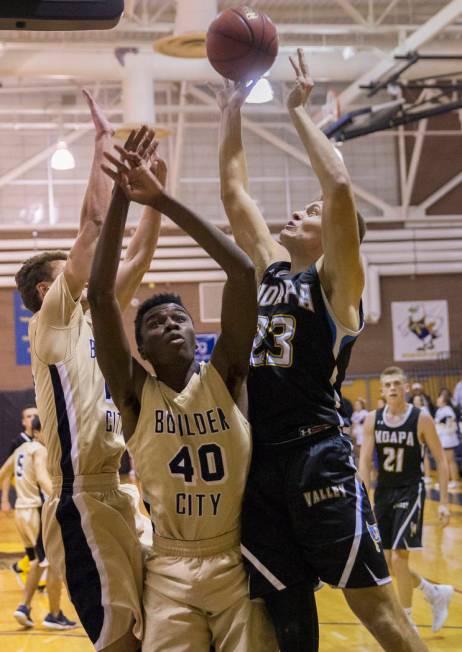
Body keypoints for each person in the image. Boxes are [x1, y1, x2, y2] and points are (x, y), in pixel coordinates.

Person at [217, 48, 426, 652]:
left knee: (377, 610)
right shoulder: (273, 271)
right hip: (262, 463)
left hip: (317, 454)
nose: (300, 212)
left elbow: (336, 184)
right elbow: (235, 195)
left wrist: (297, 112)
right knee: (286, 614)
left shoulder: (337, 287)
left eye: (311, 214)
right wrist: (230, 108)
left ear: (337, 238)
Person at [88, 144, 278, 652]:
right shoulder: (134, 395)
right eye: (154, 323)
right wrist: (125, 200)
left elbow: (242, 273)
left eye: (179, 318)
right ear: (142, 350)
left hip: (235, 557)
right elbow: (101, 295)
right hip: (169, 564)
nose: (169, 324)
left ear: (199, 337)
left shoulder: (227, 377)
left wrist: (163, 200)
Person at [15, 93, 163, 652]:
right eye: (71, 270)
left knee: (152, 626)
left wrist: (155, 197)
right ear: (46, 290)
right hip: (80, 498)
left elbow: (140, 257)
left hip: (120, 492)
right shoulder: (51, 323)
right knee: (118, 639)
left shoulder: (92, 314)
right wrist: (104, 144)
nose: (87, 270)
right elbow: (96, 223)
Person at [359, 366, 453, 633]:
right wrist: (365, 499)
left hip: (411, 490)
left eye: (396, 384)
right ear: (381, 390)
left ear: (406, 387)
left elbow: (442, 462)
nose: (392, 388)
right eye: (387, 384)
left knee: (400, 558)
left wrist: (444, 502)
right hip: (385, 492)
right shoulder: (372, 419)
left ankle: (406, 622)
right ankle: (433, 592)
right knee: (388, 561)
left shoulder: (421, 418)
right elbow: (364, 462)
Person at [0, 415, 77, 630]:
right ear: (40, 431)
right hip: (35, 510)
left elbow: (2, 474)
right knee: (52, 562)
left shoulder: (20, 450)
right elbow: (43, 478)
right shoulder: (40, 450)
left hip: (20, 512)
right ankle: (54, 615)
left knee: (36, 560)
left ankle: (24, 607)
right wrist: (65, 501)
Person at [1, 404, 39, 512]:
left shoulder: (46, 439)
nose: (32, 418)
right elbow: (7, 472)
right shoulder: (18, 442)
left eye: (35, 415)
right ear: (23, 422)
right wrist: (4, 500)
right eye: (29, 416)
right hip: (26, 499)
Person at [434, 392, 460, 489]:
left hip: (447, 438)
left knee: (450, 460)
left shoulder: (447, 410)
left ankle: (454, 480)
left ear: (444, 402)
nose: (437, 400)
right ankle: (447, 480)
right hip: (442, 438)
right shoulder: (440, 410)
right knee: (445, 460)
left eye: (440, 399)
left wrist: (443, 426)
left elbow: (449, 420)